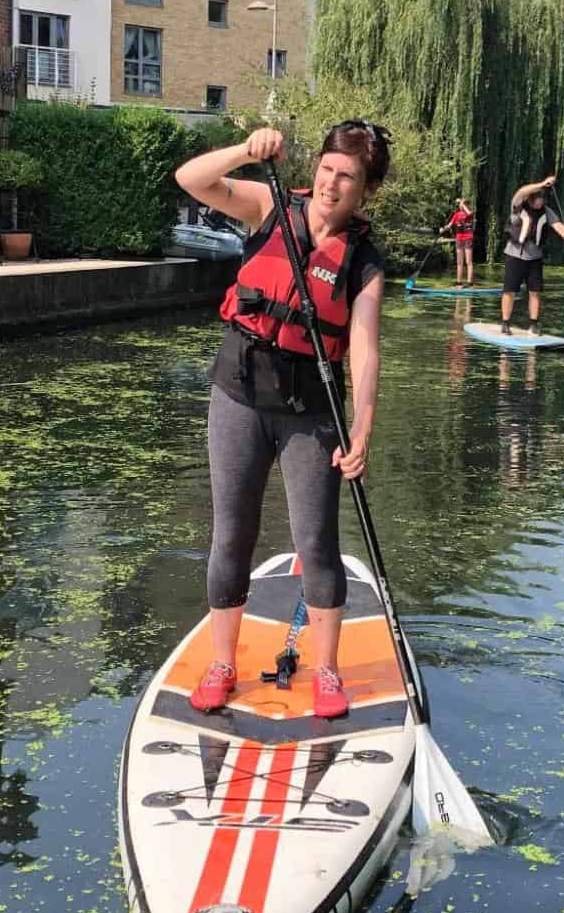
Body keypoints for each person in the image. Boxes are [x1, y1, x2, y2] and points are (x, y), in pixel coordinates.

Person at [173, 121, 392, 721]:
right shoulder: (271, 203)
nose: (331, 183)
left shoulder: (364, 264)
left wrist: (363, 430)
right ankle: (223, 665)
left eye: (347, 177)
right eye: (326, 168)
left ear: (365, 191)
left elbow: (367, 351)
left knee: (317, 543)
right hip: (239, 395)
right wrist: (247, 150)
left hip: (311, 412)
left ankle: (326, 671)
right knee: (231, 534)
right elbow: (191, 178)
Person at [499, 175, 564, 334]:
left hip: (535, 257)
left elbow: (558, 226)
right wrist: (542, 184)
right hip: (515, 254)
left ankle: (534, 324)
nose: (540, 203)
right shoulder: (517, 205)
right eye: (537, 199)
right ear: (530, 199)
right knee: (509, 290)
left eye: (542, 200)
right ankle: (505, 323)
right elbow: (521, 191)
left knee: (535, 291)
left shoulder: (546, 211)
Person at [439, 197, 477, 285]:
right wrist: (443, 229)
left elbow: (469, 213)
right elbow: (449, 225)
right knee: (459, 261)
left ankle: (469, 282)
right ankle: (459, 282)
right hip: (459, 239)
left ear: (467, 205)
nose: (460, 206)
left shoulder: (470, 214)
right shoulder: (457, 214)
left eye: (462, 205)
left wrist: (463, 204)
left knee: (468, 261)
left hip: (468, 238)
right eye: (460, 205)